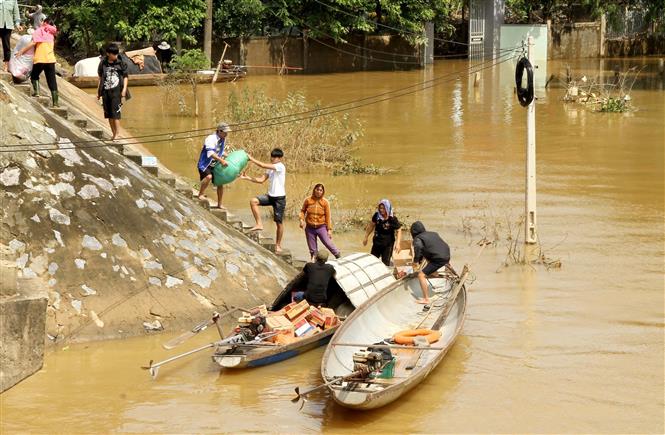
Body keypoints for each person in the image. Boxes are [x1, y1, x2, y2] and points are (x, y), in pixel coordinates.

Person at [239, 148, 286, 253]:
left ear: (280, 158)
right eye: (272, 156)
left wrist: (251, 158)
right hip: (270, 196)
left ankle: (278, 245)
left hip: (279, 199)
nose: (272, 158)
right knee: (253, 201)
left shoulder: (280, 166)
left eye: (275, 157)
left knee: (279, 223)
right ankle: (259, 224)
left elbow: (262, 165)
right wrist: (247, 178)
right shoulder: (270, 169)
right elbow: (261, 180)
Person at [15, 17, 57, 106]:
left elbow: (33, 43)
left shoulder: (39, 30)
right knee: (52, 81)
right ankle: (55, 103)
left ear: (45, 22)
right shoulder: (52, 33)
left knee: (34, 76)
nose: (41, 22)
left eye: (42, 21)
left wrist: (21, 52)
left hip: (40, 59)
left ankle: (37, 93)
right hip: (51, 60)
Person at [410, 221, 451, 304]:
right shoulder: (433, 233)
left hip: (438, 258)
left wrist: (416, 261)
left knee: (421, 275)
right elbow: (437, 246)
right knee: (428, 254)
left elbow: (418, 248)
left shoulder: (417, 238)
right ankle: (435, 272)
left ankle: (426, 299)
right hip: (447, 255)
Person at [299, 183, 341, 260]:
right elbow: (302, 211)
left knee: (328, 243)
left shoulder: (325, 202)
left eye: (321, 190)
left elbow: (328, 217)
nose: (319, 191)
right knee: (312, 249)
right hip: (310, 228)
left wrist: (329, 230)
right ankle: (314, 264)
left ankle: (339, 257)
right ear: (314, 190)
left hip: (321, 227)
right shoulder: (308, 200)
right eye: (317, 189)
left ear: (323, 192)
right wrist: (301, 220)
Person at [97, 43, 128, 140]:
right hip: (106, 92)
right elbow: (100, 77)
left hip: (116, 92)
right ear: (108, 54)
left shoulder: (121, 63)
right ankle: (114, 133)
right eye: (113, 54)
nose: (115, 56)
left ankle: (118, 134)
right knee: (109, 114)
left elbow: (126, 77)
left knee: (116, 114)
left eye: (116, 54)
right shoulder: (103, 63)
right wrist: (98, 92)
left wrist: (124, 90)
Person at [196, 122, 230, 208]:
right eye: (225, 132)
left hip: (215, 164)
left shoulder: (223, 139)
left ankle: (219, 204)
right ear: (219, 131)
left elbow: (219, 152)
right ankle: (200, 194)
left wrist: (227, 156)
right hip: (205, 164)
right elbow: (211, 153)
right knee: (209, 177)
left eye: (227, 132)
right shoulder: (211, 138)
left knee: (220, 183)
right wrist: (222, 160)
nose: (226, 134)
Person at [362, 199, 402, 266]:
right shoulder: (377, 216)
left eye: (383, 208)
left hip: (388, 245)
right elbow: (371, 226)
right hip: (377, 242)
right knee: (372, 261)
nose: (381, 210)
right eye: (380, 208)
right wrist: (366, 237)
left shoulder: (392, 219)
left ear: (387, 208)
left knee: (385, 264)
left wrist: (398, 244)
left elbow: (399, 230)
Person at [1, 0, 22, 72]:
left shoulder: (13, 1)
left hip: (8, 27)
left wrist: (18, 25)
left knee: (6, 46)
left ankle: (6, 65)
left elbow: (16, 14)